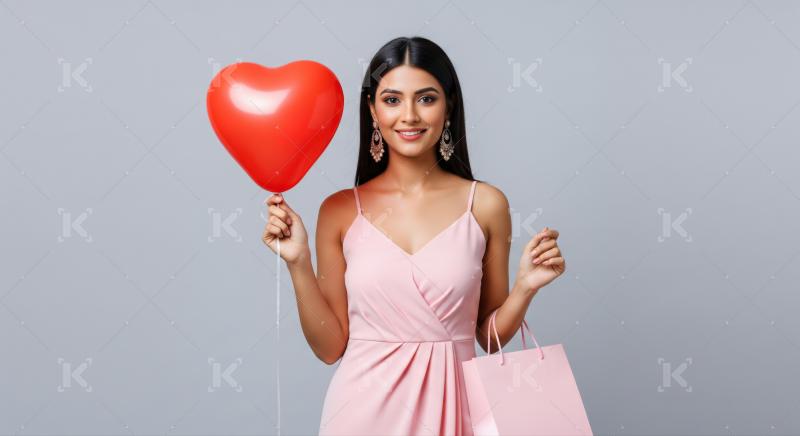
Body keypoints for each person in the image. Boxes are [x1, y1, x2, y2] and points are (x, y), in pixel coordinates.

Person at [262, 36, 566, 436]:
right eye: (391, 100)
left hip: (455, 409)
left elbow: (488, 340)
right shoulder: (337, 211)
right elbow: (330, 347)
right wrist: (298, 263)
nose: (409, 115)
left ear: (448, 106)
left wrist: (526, 287)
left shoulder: (486, 204)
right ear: (372, 109)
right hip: (361, 412)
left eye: (425, 98)